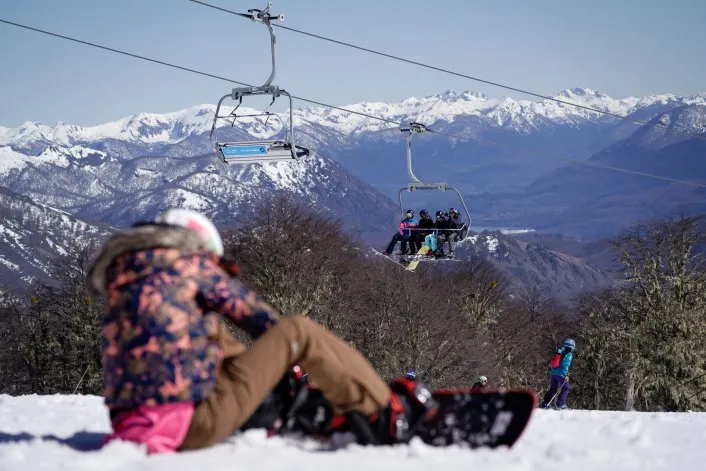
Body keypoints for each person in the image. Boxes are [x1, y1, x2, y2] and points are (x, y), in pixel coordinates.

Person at [89, 208, 438, 454]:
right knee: (297, 330)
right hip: (194, 423)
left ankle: (272, 404)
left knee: (212, 334)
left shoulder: (124, 278)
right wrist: (289, 362)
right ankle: (384, 413)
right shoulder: (190, 264)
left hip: (130, 423)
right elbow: (261, 321)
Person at [540, 338, 575, 409]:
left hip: (554, 374)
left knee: (553, 388)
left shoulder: (560, 351)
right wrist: (565, 375)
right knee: (566, 388)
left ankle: (545, 403)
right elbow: (565, 365)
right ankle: (560, 404)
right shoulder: (569, 354)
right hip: (561, 374)